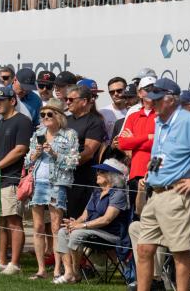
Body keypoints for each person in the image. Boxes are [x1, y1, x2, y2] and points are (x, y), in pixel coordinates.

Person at [136, 78, 190, 291]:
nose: (152, 103)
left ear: (171, 100)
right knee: (143, 249)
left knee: (180, 252)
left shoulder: (188, 121)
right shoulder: (160, 120)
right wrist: (153, 166)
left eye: (157, 99)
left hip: (176, 193)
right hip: (155, 192)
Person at [27, 99, 79, 280]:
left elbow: (73, 162)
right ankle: (41, 269)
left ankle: (58, 269)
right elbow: (27, 161)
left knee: (56, 227)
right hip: (38, 182)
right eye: (43, 115)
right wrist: (36, 154)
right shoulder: (38, 133)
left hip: (57, 183)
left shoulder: (69, 134)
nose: (45, 118)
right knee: (38, 226)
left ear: (59, 116)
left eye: (50, 114)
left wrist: (55, 154)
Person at [55, 158, 129, 284]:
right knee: (63, 231)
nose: (97, 174)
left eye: (101, 171)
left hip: (111, 234)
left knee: (77, 234)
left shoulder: (118, 194)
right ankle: (68, 273)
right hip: (93, 230)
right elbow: (84, 216)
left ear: (112, 176)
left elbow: (106, 219)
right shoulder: (96, 192)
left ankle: (75, 272)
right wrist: (74, 224)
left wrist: (81, 226)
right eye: (98, 171)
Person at [0, 86, 32, 275]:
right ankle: (1, 262)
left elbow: (20, 149)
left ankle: (14, 263)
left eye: (1, 100)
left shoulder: (22, 121)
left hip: (12, 178)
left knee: (13, 221)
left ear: (12, 101)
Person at [66, 84, 106, 218]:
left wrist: (65, 163)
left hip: (82, 180)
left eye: (71, 99)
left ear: (83, 101)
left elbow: (89, 153)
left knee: (76, 220)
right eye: (67, 99)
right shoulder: (65, 121)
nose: (67, 102)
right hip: (63, 180)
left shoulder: (95, 122)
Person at [118, 86, 156, 210]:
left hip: (156, 172)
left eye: (153, 89)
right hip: (136, 172)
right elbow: (122, 143)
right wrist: (147, 137)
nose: (150, 92)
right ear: (139, 93)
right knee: (137, 214)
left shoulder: (161, 115)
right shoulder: (133, 116)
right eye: (147, 89)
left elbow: (159, 144)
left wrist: (133, 139)